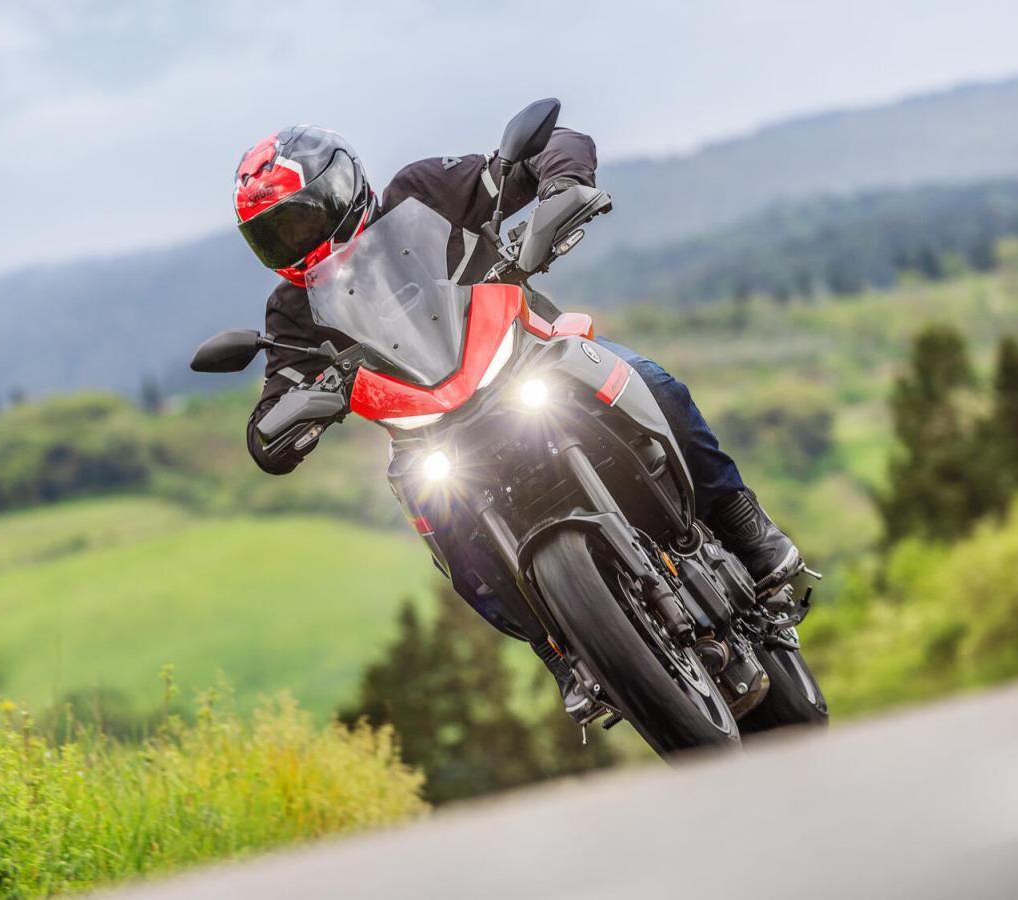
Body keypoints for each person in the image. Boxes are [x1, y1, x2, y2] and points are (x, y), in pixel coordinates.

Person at [232, 124, 800, 721]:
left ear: (339, 189)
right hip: (430, 432)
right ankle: (560, 652)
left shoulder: (423, 191)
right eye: (274, 235)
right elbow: (275, 401)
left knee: (653, 384)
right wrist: (284, 423)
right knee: (436, 519)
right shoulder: (293, 312)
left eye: (299, 219)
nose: (293, 241)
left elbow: (535, 155)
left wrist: (561, 186)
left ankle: (744, 525)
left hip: (527, 357)